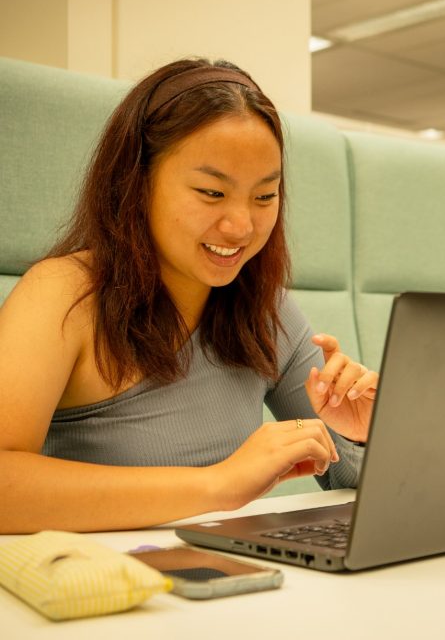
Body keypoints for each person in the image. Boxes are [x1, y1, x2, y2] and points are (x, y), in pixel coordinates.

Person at [0, 58, 377, 533]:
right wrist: (216, 486)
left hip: (225, 581)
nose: (241, 227)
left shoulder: (265, 307)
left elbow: (347, 477)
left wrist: (359, 435)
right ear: (136, 182)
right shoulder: (64, 293)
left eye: (264, 197)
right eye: (211, 193)